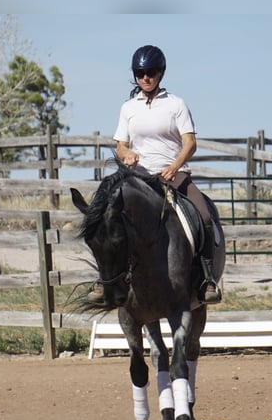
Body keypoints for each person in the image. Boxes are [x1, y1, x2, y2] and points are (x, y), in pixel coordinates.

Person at [88, 44, 221, 305]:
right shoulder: (128, 107)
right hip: (138, 178)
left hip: (174, 175)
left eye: (150, 72)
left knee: (204, 214)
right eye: (140, 73)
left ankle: (207, 278)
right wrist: (126, 154)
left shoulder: (176, 104)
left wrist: (174, 166)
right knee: (106, 219)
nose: (145, 78)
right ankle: (104, 280)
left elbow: (190, 143)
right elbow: (120, 144)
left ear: (160, 73)